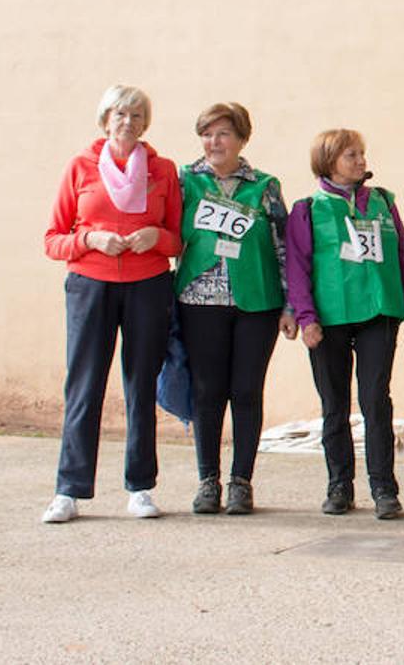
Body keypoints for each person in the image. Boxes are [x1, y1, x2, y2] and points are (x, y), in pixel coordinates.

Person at [42, 85, 181, 523]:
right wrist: (90, 239)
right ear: (105, 120)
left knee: (141, 385)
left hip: (148, 285)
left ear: (145, 124)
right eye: (120, 113)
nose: (128, 121)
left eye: (137, 115)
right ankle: (69, 489)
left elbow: (179, 239)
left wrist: (155, 237)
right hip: (90, 286)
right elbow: (53, 239)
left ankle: (140, 487)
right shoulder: (81, 166)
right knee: (84, 386)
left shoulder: (163, 169)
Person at [287, 129, 404, 520]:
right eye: (352, 155)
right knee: (335, 404)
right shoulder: (308, 208)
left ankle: (383, 487)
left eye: (362, 154)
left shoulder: (382, 202)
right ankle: (339, 485)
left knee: (375, 401)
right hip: (328, 318)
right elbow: (297, 267)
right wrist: (306, 317)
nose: (361, 161)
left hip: (379, 311)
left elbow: (400, 251)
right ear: (329, 161)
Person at [175, 103, 298, 516]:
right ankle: (207, 480)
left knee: (246, 391)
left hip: (256, 302)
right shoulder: (185, 182)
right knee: (207, 392)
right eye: (207, 134)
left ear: (241, 139)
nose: (214, 142)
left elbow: (284, 248)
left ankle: (241, 481)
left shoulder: (264, 186)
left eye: (223, 133)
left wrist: (289, 304)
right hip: (199, 300)